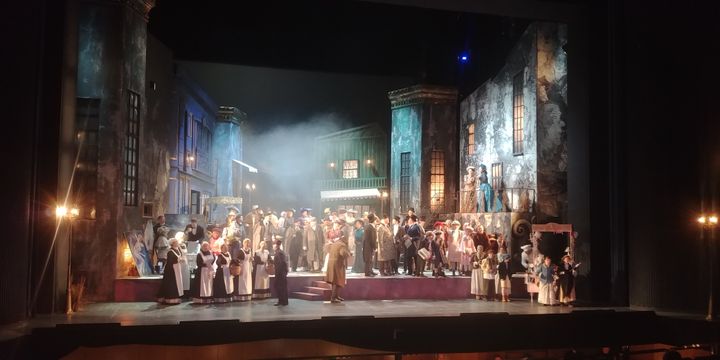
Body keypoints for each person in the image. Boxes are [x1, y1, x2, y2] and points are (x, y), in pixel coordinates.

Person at [325, 231, 351, 303]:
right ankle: (333, 298)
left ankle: (336, 296)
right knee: (337, 281)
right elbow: (343, 253)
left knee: (335, 281)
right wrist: (349, 253)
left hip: (331, 264)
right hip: (337, 265)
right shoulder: (342, 245)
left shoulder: (335, 244)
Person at [157, 238, 183, 304]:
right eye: (176, 242)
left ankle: (176, 297)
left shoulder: (178, 250)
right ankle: (171, 298)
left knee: (177, 282)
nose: (177, 243)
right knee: (172, 283)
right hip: (172, 269)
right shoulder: (170, 251)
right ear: (172, 243)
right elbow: (170, 261)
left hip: (177, 268)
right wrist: (177, 261)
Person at [273, 240, 289, 306]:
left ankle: (282, 301)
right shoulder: (280, 252)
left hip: (280, 273)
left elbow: (281, 263)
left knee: (280, 287)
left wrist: (279, 272)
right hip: (281, 272)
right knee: (281, 287)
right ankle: (283, 301)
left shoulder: (279, 253)